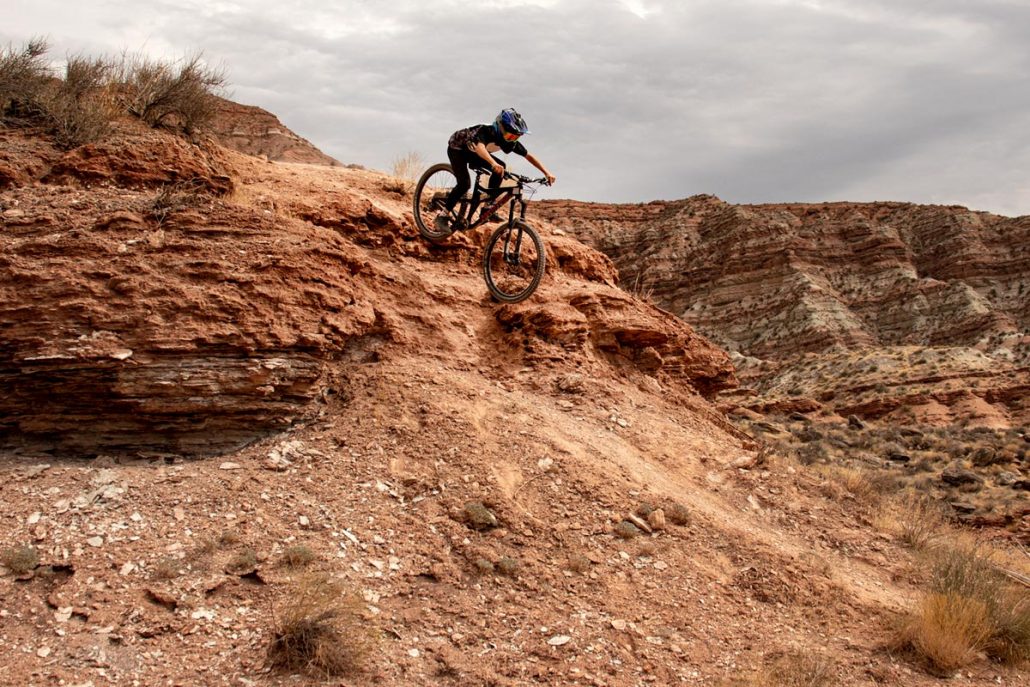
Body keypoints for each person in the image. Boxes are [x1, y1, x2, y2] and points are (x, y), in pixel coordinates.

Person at [436, 108, 556, 233]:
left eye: (516, 137)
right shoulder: (486, 131)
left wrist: (546, 172)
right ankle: (442, 215)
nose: (512, 139)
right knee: (464, 184)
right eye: (510, 135)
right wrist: (493, 163)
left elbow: (528, 156)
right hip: (458, 150)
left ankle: (487, 207)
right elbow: (480, 147)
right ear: (501, 128)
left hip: (474, 153)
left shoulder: (509, 141)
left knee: (501, 167)